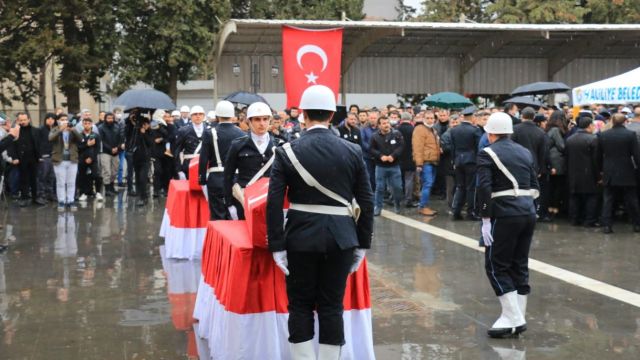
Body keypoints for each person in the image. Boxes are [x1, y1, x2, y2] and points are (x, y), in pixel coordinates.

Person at [266, 85, 374, 360]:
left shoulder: (287, 151)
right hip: (342, 238)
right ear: (332, 114)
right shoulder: (352, 150)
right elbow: (367, 200)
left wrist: (277, 246)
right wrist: (362, 244)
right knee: (332, 306)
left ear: (302, 114)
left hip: (300, 236)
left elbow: (274, 203)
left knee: (300, 305)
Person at [476, 112, 538, 338]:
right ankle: (515, 317)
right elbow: (534, 184)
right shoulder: (524, 152)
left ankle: (515, 317)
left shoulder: (487, 153)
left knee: (495, 265)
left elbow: (483, 188)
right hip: (527, 211)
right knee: (519, 264)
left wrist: (484, 218)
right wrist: (532, 209)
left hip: (503, 214)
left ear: (490, 133)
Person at [224, 102, 280, 220]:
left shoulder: (278, 145)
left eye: (265, 119)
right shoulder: (238, 145)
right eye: (257, 119)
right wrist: (229, 204)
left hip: (270, 200)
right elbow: (228, 175)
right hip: (244, 201)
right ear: (249, 121)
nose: (262, 123)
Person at [199, 100, 245, 220]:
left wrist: (202, 180)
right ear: (232, 115)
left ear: (217, 115)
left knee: (217, 217)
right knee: (236, 217)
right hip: (236, 179)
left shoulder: (210, 133)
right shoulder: (241, 133)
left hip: (216, 178)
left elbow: (203, 158)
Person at [598, 113, 640, 234]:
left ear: (612, 121)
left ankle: (607, 225)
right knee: (632, 199)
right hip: (627, 170)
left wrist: (600, 171)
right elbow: (636, 155)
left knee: (608, 200)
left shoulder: (603, 135)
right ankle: (637, 224)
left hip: (609, 171)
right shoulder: (630, 135)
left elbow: (598, 155)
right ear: (625, 122)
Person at [511, 107, 550, 222]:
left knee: (517, 190)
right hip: (534, 166)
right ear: (534, 117)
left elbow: (510, 148)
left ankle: (518, 212)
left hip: (516, 165)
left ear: (522, 116)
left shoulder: (514, 130)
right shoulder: (541, 132)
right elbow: (544, 153)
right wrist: (541, 169)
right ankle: (531, 213)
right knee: (533, 191)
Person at [565, 117, 600, 227]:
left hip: (573, 172)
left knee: (574, 196)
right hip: (589, 173)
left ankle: (574, 219)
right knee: (591, 196)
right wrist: (598, 175)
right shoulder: (593, 139)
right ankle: (590, 220)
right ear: (589, 126)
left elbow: (566, 157)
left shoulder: (570, 139)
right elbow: (596, 160)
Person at [450, 107, 481, 220]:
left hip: (458, 160)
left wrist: (454, 160)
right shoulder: (475, 130)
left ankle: (456, 211)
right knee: (471, 188)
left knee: (460, 186)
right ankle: (470, 212)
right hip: (471, 161)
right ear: (472, 117)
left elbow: (453, 147)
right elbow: (478, 148)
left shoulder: (454, 130)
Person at [370, 116, 404, 215]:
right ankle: (378, 207)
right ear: (379, 125)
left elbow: (401, 146)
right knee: (380, 187)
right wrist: (380, 156)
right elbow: (371, 149)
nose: (386, 125)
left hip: (395, 166)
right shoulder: (374, 136)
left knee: (397, 187)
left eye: (387, 123)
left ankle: (397, 204)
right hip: (381, 166)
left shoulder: (397, 134)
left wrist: (393, 155)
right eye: (384, 123)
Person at [49, 115, 82, 211]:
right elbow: (50, 138)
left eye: (66, 119)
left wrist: (73, 130)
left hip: (72, 160)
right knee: (60, 182)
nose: (64, 121)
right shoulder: (55, 129)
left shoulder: (73, 130)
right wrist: (60, 129)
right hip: (59, 160)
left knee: (71, 182)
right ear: (58, 121)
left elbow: (81, 139)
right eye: (62, 120)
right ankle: (61, 201)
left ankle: (70, 201)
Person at [412, 110, 441, 216]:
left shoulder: (432, 129)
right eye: (427, 118)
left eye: (431, 118)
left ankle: (425, 205)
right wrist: (419, 164)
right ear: (423, 118)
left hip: (433, 161)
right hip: (426, 162)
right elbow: (417, 147)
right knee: (427, 184)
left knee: (428, 184)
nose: (430, 120)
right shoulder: (419, 129)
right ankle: (422, 207)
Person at [14, 112, 45, 207]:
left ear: (28, 120)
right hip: (21, 158)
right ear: (18, 121)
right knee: (23, 178)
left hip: (34, 158)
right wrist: (15, 157)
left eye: (24, 120)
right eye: (21, 120)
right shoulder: (15, 131)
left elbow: (40, 144)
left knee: (34, 178)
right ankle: (24, 197)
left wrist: (40, 156)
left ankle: (36, 197)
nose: (23, 122)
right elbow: (12, 145)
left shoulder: (35, 130)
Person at [174, 106, 206, 179]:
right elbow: (177, 151)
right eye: (195, 114)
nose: (198, 116)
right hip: (188, 165)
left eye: (200, 114)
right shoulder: (183, 131)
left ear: (203, 116)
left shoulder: (209, 131)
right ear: (191, 116)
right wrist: (179, 170)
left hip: (205, 165)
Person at [545, 111, 567, 217]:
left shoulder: (548, 129)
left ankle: (550, 207)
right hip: (557, 161)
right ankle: (554, 208)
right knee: (557, 186)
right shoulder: (555, 130)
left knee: (552, 186)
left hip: (551, 160)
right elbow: (562, 146)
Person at [77, 118, 103, 201]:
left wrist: (91, 158)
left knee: (96, 175)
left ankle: (98, 192)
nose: (87, 125)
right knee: (82, 176)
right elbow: (78, 147)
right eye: (85, 123)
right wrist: (86, 144)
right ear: (82, 125)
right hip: (82, 159)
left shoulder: (95, 135)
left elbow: (97, 148)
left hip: (93, 159)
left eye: (88, 123)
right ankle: (83, 193)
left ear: (91, 124)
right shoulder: (79, 135)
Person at [129, 116, 153, 206]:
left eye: (146, 124)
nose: (145, 126)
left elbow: (151, 143)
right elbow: (132, 142)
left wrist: (144, 134)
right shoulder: (136, 132)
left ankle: (143, 197)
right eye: (143, 124)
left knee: (143, 178)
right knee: (138, 178)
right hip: (136, 158)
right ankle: (141, 194)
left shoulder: (150, 132)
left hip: (145, 159)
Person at [98, 112, 123, 197]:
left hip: (116, 151)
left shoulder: (117, 127)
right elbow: (101, 140)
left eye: (111, 118)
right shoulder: (101, 128)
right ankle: (107, 189)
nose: (110, 120)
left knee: (115, 170)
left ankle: (112, 187)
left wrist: (117, 147)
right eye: (108, 118)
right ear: (105, 119)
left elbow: (121, 138)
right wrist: (110, 148)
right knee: (107, 171)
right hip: (105, 152)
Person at [397, 112, 417, 207]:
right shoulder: (414, 130)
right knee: (409, 179)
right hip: (410, 157)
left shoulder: (397, 130)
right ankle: (408, 199)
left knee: (398, 179)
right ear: (410, 119)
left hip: (398, 158)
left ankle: (397, 198)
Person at [37, 113, 57, 202]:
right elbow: (38, 143)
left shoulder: (56, 129)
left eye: (52, 118)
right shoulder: (41, 129)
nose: (50, 120)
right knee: (42, 176)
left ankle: (50, 194)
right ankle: (41, 194)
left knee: (51, 177)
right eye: (48, 118)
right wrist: (39, 155)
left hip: (54, 155)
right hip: (44, 156)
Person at [360, 110, 379, 191]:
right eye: (371, 118)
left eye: (374, 118)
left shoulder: (380, 128)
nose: (372, 119)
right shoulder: (363, 128)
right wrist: (371, 149)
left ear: (377, 118)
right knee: (369, 175)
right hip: (367, 156)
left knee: (378, 176)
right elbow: (362, 141)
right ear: (368, 118)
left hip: (379, 156)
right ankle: (371, 191)